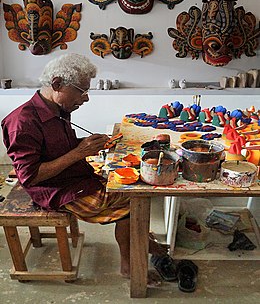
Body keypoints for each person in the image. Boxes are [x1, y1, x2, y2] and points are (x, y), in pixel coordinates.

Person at [1, 53, 167, 282]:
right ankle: (133, 262)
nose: (86, 99)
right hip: (56, 190)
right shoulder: (22, 122)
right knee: (135, 199)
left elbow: (60, 146)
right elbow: (30, 177)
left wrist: (89, 144)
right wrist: (79, 152)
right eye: (81, 91)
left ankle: (141, 247)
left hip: (76, 176)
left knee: (133, 186)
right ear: (57, 84)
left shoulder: (59, 110)